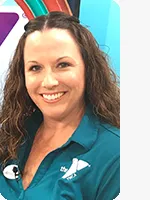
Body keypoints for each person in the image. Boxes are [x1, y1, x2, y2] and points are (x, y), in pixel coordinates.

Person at [0, 11, 120, 200]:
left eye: (63, 64)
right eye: (35, 68)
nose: (48, 82)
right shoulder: (12, 133)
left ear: (88, 69)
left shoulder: (116, 154)